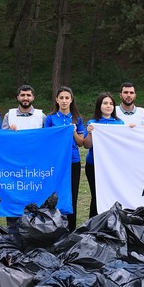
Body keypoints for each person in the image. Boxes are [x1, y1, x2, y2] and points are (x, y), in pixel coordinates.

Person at [1, 84, 45, 229]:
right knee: (13, 196)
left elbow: (49, 139)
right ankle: (13, 230)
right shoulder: (9, 115)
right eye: (22, 95)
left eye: (28, 95)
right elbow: (2, 139)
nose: (25, 98)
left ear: (33, 97)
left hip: (35, 165)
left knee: (33, 196)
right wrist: (9, 132)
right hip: (14, 165)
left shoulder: (41, 116)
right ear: (17, 97)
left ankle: (35, 229)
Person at [44, 86, 86, 229]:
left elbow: (81, 142)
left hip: (73, 161)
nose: (64, 100)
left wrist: (73, 131)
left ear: (71, 100)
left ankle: (72, 229)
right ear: (56, 99)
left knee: (72, 196)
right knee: (55, 195)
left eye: (67, 98)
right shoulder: (50, 118)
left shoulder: (77, 119)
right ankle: (55, 228)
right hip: (56, 162)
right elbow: (46, 140)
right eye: (61, 97)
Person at [83, 92, 127, 218]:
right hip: (94, 165)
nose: (108, 106)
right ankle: (93, 225)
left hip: (113, 166)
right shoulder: (92, 123)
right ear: (99, 106)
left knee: (113, 196)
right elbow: (86, 145)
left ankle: (112, 223)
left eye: (111, 104)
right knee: (96, 196)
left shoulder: (120, 123)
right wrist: (90, 133)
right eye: (105, 103)